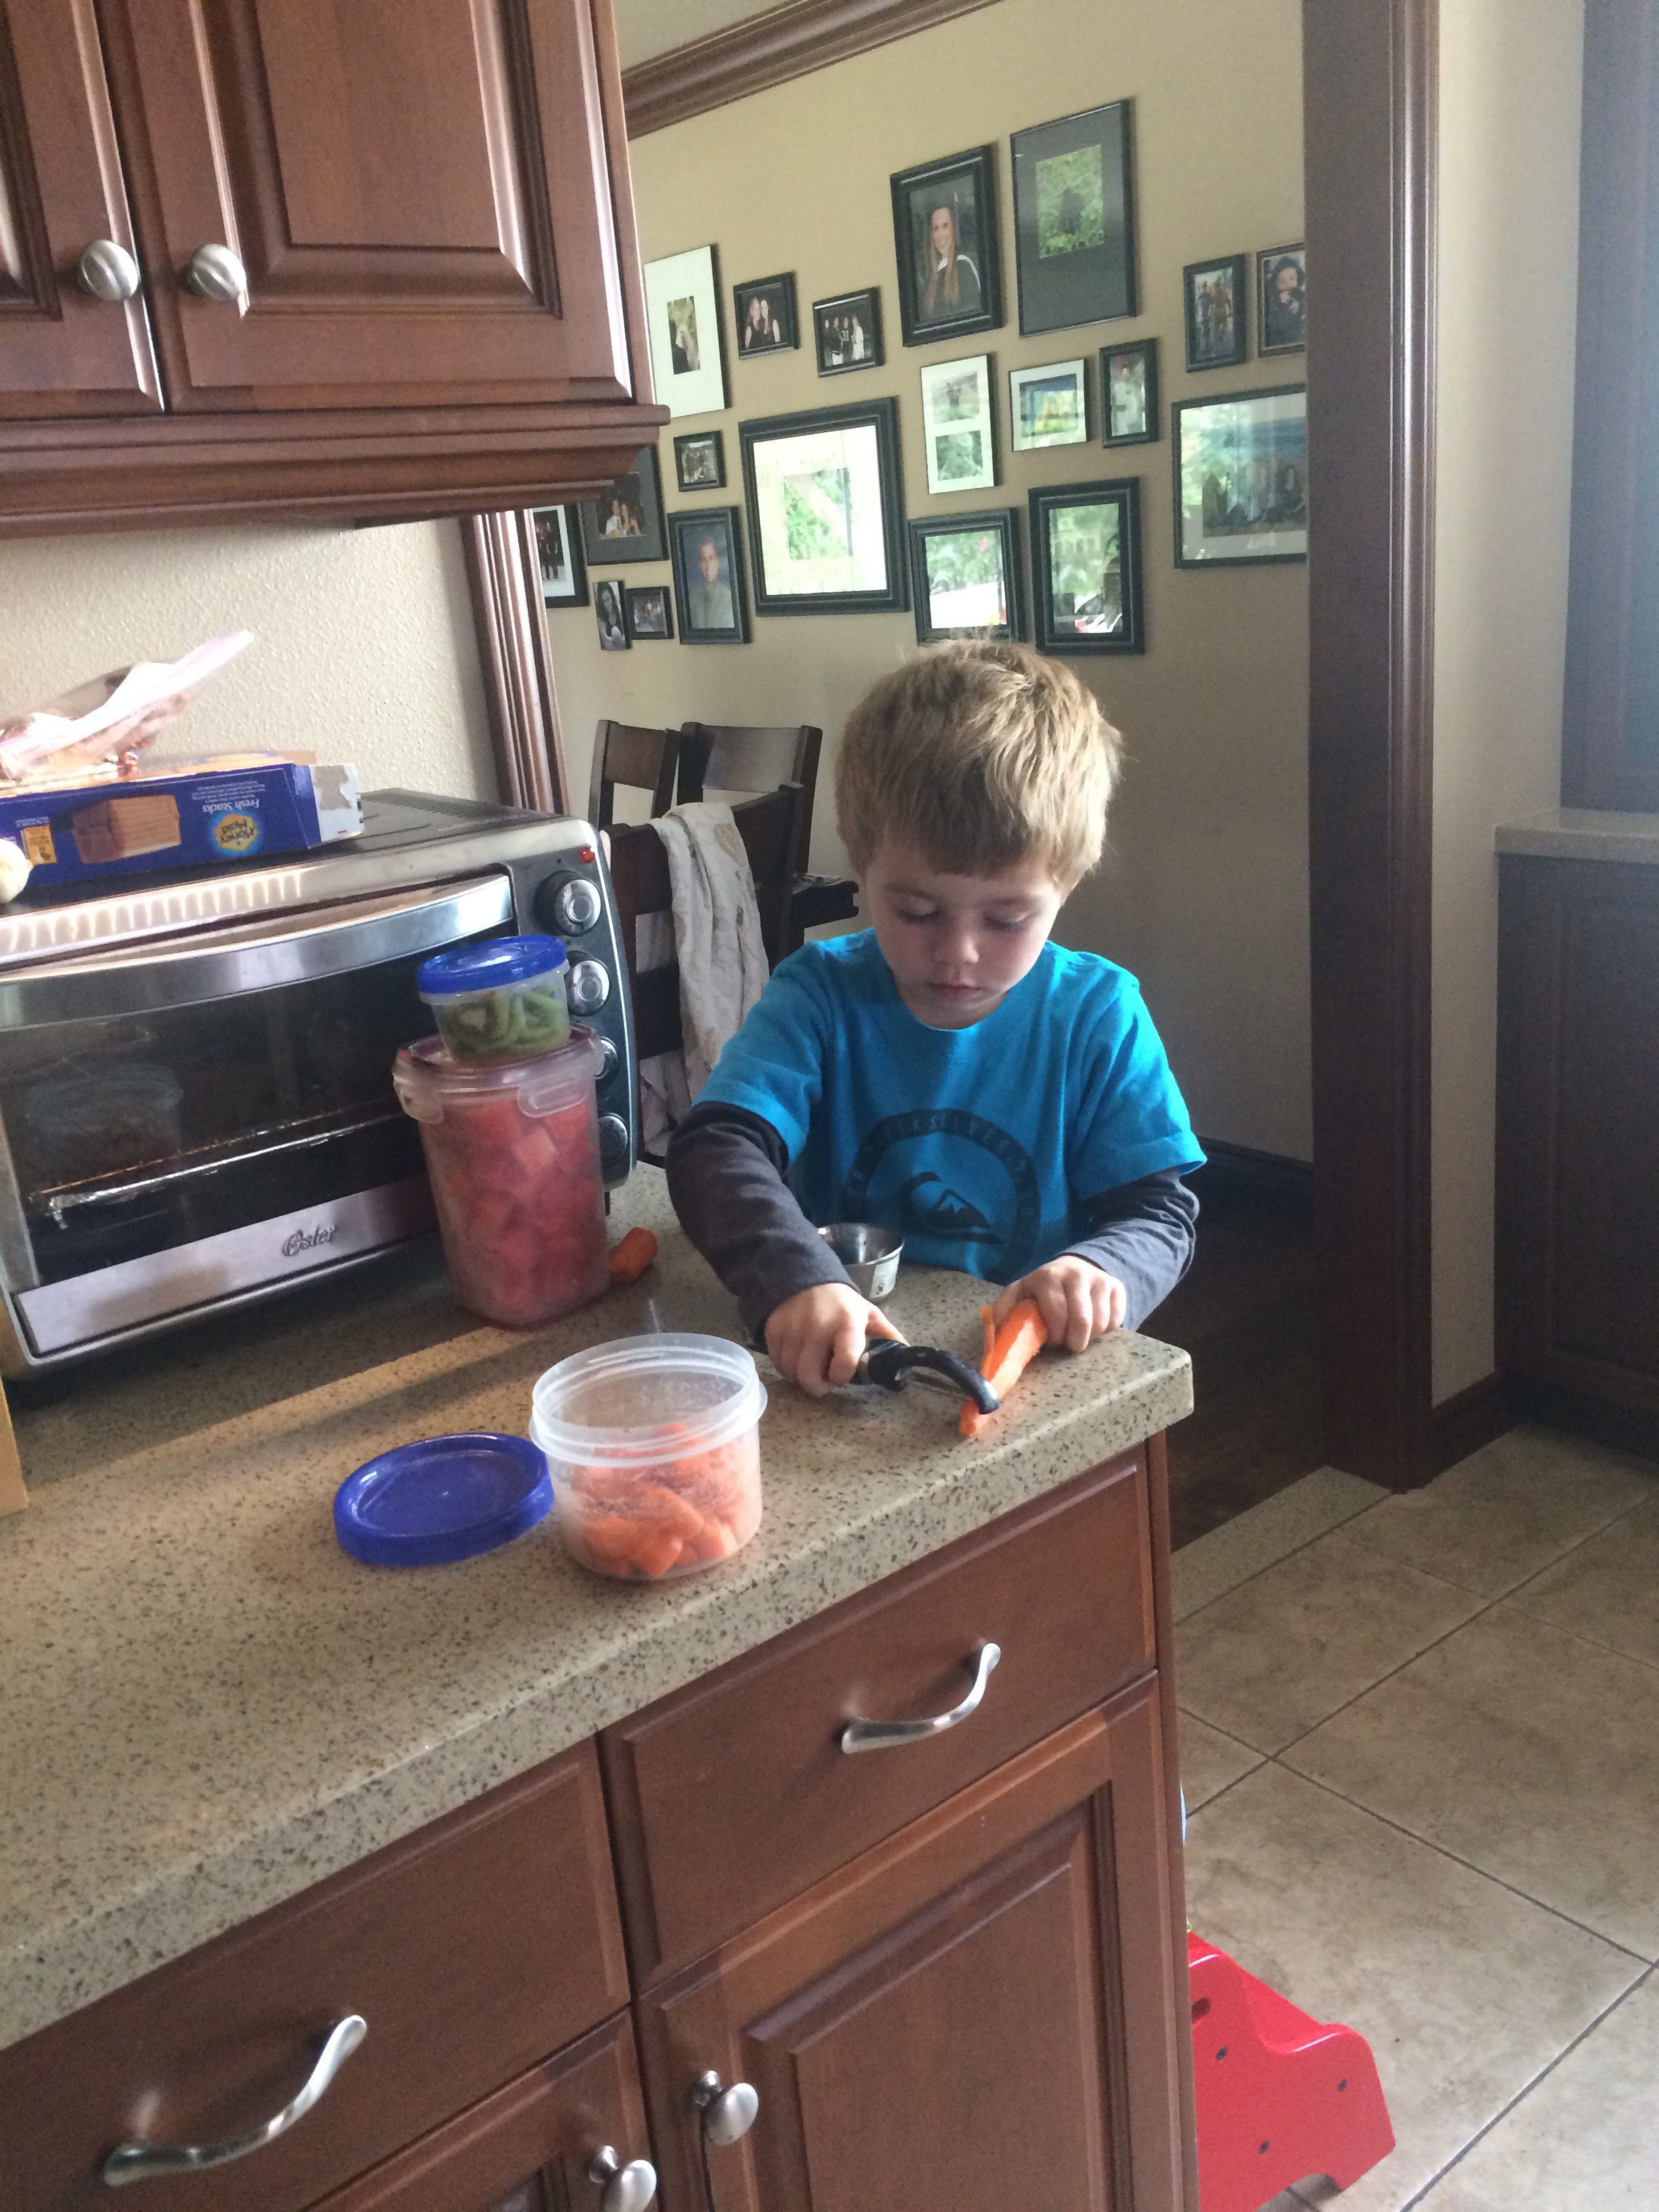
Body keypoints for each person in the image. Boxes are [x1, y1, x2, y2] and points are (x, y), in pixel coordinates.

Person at [666, 642, 1202, 1395]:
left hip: (1038, 1381)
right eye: (916, 911)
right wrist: (793, 1277)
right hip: (847, 1368)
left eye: (1007, 920)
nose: (958, 953)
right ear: (861, 868)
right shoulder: (818, 996)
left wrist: (1099, 1268)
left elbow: (1158, 1215)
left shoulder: (1098, 1015)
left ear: (1068, 885)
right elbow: (716, 1148)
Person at [919, 201, 982, 322]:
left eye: (945, 226)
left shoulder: (964, 267)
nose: (940, 235)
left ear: (954, 229)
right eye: (936, 228)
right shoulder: (930, 279)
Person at [686, 533, 733, 630]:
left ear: (717, 562)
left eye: (711, 559)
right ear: (700, 565)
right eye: (704, 560)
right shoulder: (692, 599)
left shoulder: (729, 599)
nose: (708, 565)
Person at [594, 583, 626, 650]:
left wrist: (620, 640)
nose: (607, 604)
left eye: (608, 599)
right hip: (610, 652)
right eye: (604, 601)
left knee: (615, 631)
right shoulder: (600, 619)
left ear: (612, 597)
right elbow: (605, 642)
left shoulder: (619, 610)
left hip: (624, 648)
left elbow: (627, 634)